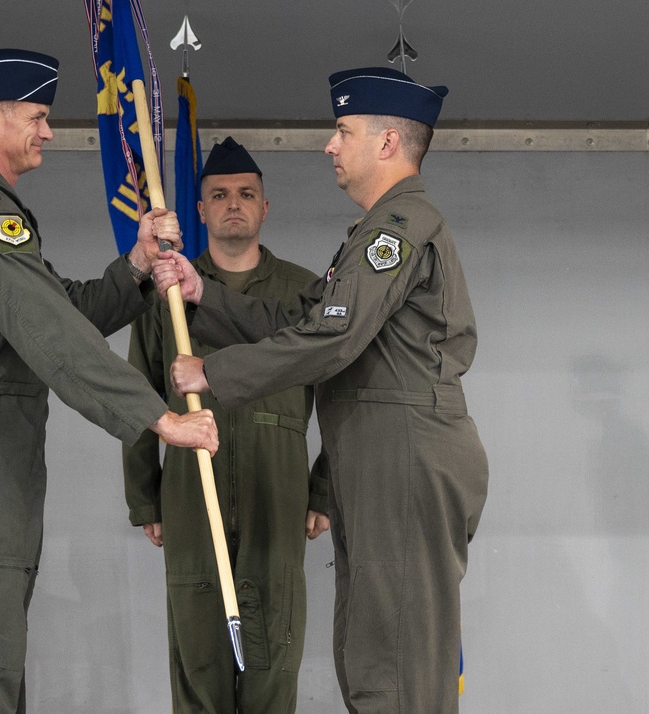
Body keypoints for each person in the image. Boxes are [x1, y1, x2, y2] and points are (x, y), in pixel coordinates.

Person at [156, 67, 488, 714]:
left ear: (387, 143)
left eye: (342, 131)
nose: (329, 146)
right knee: (374, 651)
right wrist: (207, 298)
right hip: (383, 454)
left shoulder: (398, 231)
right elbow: (306, 319)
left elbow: (331, 341)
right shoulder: (375, 231)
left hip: (403, 457)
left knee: (390, 666)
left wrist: (214, 373)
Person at [0, 48, 218, 714]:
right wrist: (159, 417)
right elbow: (50, 332)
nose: (48, 131)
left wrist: (134, 268)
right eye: (38, 116)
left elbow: (55, 309)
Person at [123, 137, 330, 713]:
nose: (233, 203)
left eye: (246, 194)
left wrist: (324, 489)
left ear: (266, 208)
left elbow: (342, 399)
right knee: (198, 659)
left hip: (277, 487)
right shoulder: (166, 295)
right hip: (191, 486)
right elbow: (138, 394)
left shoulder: (304, 292)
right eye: (218, 194)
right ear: (200, 211)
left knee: (274, 655)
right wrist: (147, 498)